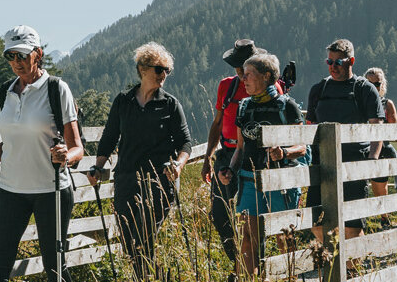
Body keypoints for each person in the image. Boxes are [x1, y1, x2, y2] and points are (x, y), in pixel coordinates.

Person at [0, 25, 84, 282]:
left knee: (55, 267)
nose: (16, 61)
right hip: (11, 191)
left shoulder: (56, 89)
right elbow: (10, 144)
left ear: (38, 54)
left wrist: (66, 157)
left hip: (51, 191)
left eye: (23, 55)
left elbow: (77, 148)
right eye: (10, 55)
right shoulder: (5, 92)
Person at [88, 42, 191, 279]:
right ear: (142, 69)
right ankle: (155, 277)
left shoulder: (170, 104)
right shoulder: (123, 101)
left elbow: (185, 142)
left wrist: (178, 164)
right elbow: (109, 137)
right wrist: (98, 167)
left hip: (158, 183)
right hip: (126, 180)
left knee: (142, 240)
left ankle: (148, 277)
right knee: (129, 244)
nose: (164, 75)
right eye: (159, 69)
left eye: (167, 70)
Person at [216, 53, 306, 278]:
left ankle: (291, 277)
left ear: (266, 76)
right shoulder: (244, 106)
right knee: (248, 239)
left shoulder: (286, 106)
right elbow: (240, 148)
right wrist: (230, 170)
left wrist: (284, 152)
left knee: (284, 237)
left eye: (249, 75)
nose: (243, 79)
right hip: (250, 180)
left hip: (281, 182)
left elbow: (302, 147)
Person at [200, 39, 283, 269]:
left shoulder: (273, 89)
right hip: (228, 153)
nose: (240, 71)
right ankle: (240, 263)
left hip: (256, 156)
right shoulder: (226, 86)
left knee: (253, 216)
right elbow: (217, 123)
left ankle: (252, 267)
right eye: (237, 66)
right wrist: (207, 158)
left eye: (244, 66)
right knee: (220, 213)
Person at [303, 40, 383, 242]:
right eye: (329, 62)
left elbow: (377, 128)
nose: (333, 66)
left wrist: (372, 161)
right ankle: (335, 256)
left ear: (351, 61)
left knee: (352, 227)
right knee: (316, 223)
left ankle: (354, 260)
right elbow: (310, 126)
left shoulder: (364, 89)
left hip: (354, 162)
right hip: (322, 163)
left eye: (338, 62)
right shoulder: (319, 89)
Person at [362, 67, 397, 209]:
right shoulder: (359, 102)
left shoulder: (387, 104)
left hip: (381, 149)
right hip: (361, 147)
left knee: (379, 187)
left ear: (382, 84)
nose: (373, 87)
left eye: (377, 84)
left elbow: (394, 129)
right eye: (370, 84)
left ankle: (384, 215)